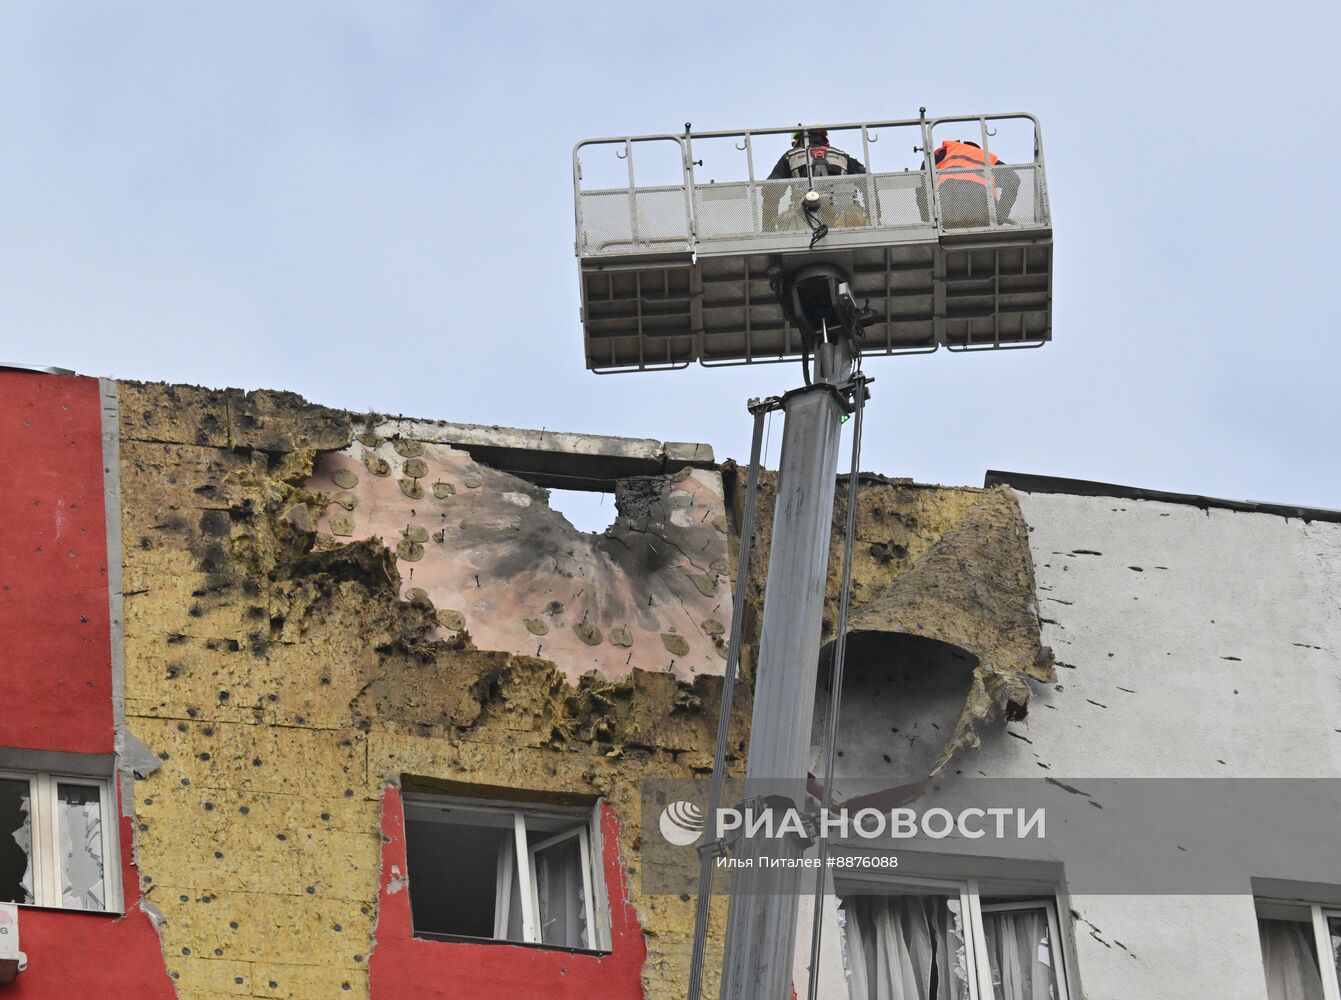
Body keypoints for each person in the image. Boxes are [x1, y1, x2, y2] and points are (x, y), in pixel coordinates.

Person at [762, 127, 868, 232]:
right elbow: (868, 181)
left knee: (786, 224)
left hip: (804, 218)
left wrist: (767, 226)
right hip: (844, 220)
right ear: (824, 138)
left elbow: (770, 188)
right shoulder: (842, 156)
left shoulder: (791, 156)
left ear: (798, 140)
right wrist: (875, 217)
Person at [930, 138, 1019, 228]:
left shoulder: (948, 150)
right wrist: (1000, 215)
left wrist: (927, 215)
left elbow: (923, 177)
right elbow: (1014, 180)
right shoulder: (987, 157)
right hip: (983, 202)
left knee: (950, 230)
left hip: (949, 197)